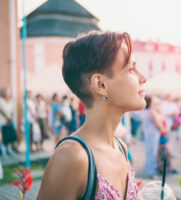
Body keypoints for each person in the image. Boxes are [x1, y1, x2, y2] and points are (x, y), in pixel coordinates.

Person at [37, 31, 147, 200]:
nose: (143, 78)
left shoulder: (121, 148)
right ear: (100, 84)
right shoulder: (72, 157)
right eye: (131, 69)